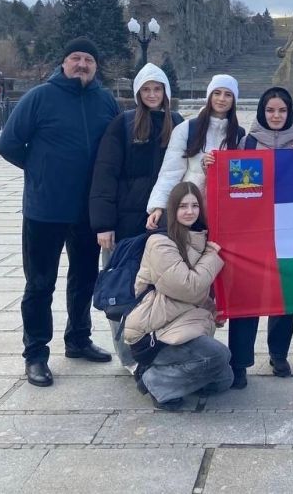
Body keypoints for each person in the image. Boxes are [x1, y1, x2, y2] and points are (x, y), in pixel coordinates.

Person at [0, 37, 119, 387]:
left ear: (96, 67)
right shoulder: (39, 97)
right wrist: (40, 170)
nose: (82, 64)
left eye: (89, 60)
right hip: (45, 207)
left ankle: (78, 339)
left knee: (84, 278)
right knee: (40, 283)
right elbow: (8, 144)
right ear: (64, 63)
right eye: (76, 58)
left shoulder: (104, 100)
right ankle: (35, 353)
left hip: (87, 209)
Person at [89, 62, 184, 373]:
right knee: (122, 290)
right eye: (147, 89)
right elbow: (105, 174)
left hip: (166, 225)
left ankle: (158, 349)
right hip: (126, 224)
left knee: (161, 291)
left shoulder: (179, 123)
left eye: (157, 89)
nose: (153, 94)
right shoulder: (123, 124)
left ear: (166, 93)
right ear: (139, 93)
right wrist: (103, 224)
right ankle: (128, 356)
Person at [227, 87, 293, 387]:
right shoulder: (246, 143)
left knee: (284, 296)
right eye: (271, 110)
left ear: (290, 114)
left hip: (289, 233)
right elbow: (230, 186)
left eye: (282, 111)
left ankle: (279, 353)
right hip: (252, 233)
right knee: (247, 296)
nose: (276, 116)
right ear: (262, 112)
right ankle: (239, 361)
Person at [124, 182, 233, 411]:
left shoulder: (197, 237)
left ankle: (171, 374)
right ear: (172, 209)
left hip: (181, 321)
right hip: (153, 330)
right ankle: (154, 381)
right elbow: (188, 288)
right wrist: (212, 255)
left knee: (224, 380)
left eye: (195, 205)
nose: (190, 211)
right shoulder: (159, 242)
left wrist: (211, 310)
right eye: (183, 206)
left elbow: (197, 293)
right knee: (218, 356)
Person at [145, 74, 243, 231]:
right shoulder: (186, 129)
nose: (222, 99)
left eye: (228, 94)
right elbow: (171, 171)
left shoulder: (238, 134)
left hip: (224, 210)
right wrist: (158, 206)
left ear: (234, 100)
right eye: (217, 93)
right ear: (209, 96)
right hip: (190, 208)